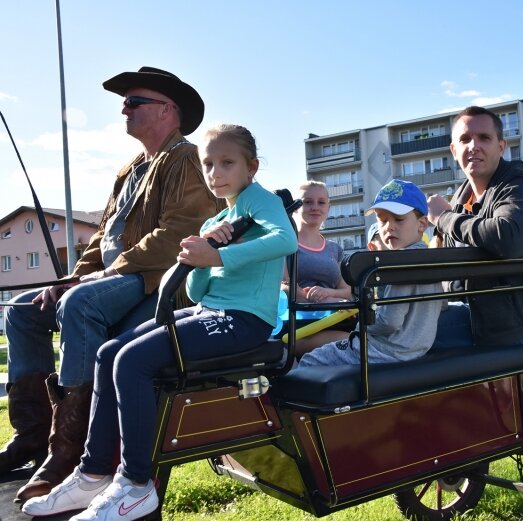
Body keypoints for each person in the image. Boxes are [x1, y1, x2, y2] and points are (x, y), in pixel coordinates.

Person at [21, 123, 298, 521]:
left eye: (227, 163)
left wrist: (218, 256)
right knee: (109, 352)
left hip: (244, 321)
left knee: (133, 362)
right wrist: (199, 256)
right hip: (210, 311)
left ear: (251, 167)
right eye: (208, 165)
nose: (215, 173)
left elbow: (285, 240)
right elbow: (202, 292)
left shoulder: (260, 200)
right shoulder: (215, 222)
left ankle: (136, 484)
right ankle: (92, 472)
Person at [2, 67, 220, 502]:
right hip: (114, 278)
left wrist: (100, 275)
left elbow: (178, 234)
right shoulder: (130, 170)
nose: (125, 107)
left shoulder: (187, 159)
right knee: (24, 308)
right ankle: (32, 435)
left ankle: (70, 454)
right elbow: (102, 235)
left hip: (154, 281)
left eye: (134, 101)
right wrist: (73, 276)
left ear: (167, 110)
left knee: (80, 304)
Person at [427, 105, 523, 347]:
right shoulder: (460, 198)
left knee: (399, 341)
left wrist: (444, 218)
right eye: (465, 139)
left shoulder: (521, 184)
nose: (473, 146)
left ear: (501, 146)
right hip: (472, 312)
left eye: (484, 138)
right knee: (391, 327)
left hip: (515, 323)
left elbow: (506, 236)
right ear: (454, 150)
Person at [298, 179, 441, 366]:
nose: (389, 226)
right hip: (416, 348)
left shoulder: (399, 263)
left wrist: (361, 322)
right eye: (382, 220)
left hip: (385, 349)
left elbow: (389, 321)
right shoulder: (430, 259)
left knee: (310, 360)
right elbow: (441, 304)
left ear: (422, 224)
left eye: (398, 219)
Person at [282, 181, 354, 354]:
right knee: (355, 342)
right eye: (308, 202)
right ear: (296, 207)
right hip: (300, 325)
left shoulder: (334, 249)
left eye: (321, 202)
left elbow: (347, 291)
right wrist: (310, 297)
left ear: (328, 208)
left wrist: (328, 294)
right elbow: (283, 286)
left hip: (336, 318)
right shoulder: (285, 243)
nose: (315, 207)